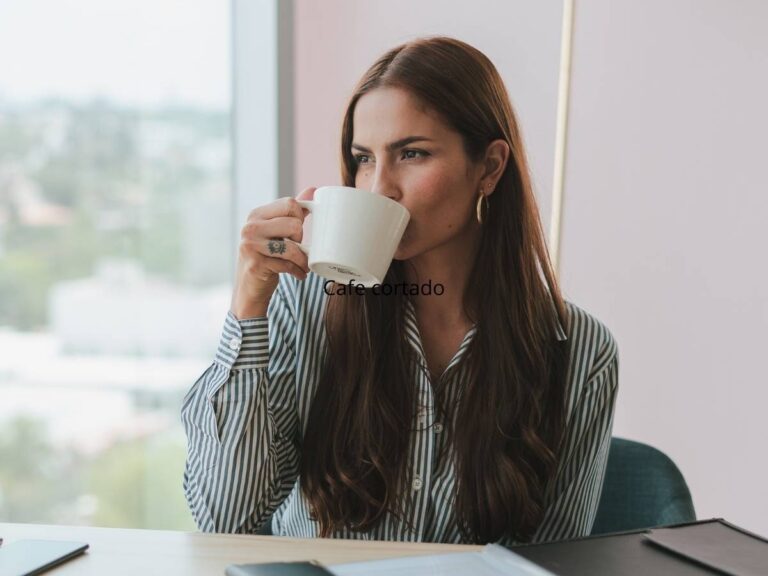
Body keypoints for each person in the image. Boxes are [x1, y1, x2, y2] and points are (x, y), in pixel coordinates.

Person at [181, 36, 618, 546]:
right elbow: (223, 518)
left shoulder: (579, 351)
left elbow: (551, 562)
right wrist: (250, 302)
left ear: (490, 167)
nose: (379, 187)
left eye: (412, 153)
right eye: (364, 158)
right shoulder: (301, 306)